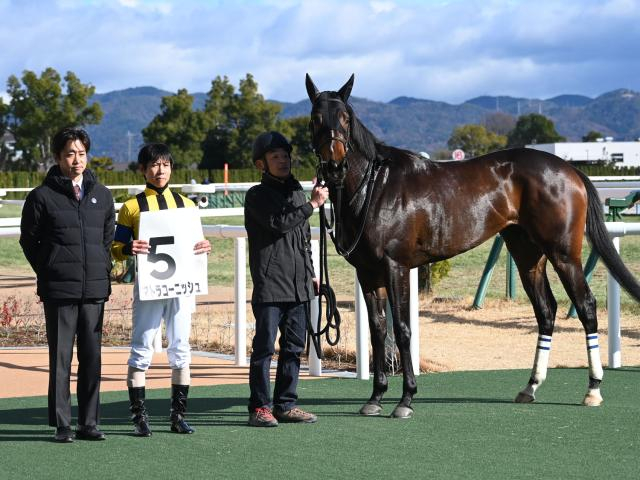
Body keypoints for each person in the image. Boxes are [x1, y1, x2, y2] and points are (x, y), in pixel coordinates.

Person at [20, 127, 115, 443]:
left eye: (82, 153)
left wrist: (103, 269)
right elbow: (29, 240)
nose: (77, 160)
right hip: (59, 291)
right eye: (70, 153)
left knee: (92, 358)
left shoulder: (102, 194)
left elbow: (106, 238)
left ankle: (89, 423)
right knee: (60, 358)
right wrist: (48, 269)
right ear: (58, 157)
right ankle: (62, 423)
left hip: (94, 291)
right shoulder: (41, 197)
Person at [111, 143, 211, 436]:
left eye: (165, 164)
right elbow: (116, 249)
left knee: (181, 348)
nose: (160, 170)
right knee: (141, 348)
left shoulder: (187, 205)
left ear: (171, 167)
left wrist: (204, 246)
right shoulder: (131, 206)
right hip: (150, 287)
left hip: (181, 286)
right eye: (154, 165)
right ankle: (139, 417)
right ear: (143, 170)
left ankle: (178, 416)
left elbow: (196, 242)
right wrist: (129, 247)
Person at [244, 131, 329, 427]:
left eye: (285, 156)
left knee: (293, 347)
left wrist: (311, 274)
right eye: (275, 157)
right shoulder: (256, 195)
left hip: (299, 285)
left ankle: (285, 404)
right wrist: (312, 205)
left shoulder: (296, 192)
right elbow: (279, 224)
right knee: (265, 348)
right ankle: (259, 407)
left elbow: (302, 238)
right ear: (261, 165)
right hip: (270, 285)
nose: (282, 161)